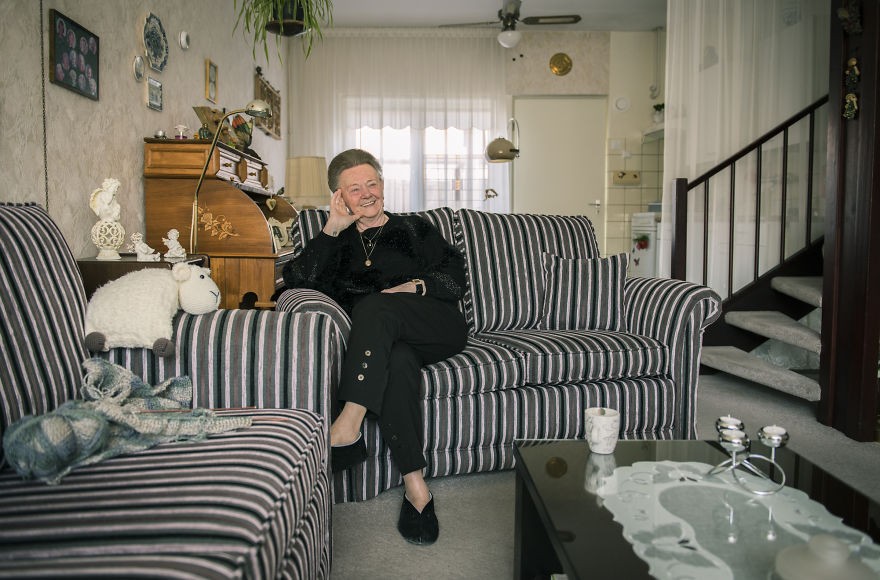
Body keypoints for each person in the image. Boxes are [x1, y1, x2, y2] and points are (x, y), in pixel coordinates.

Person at [282, 149, 468, 545]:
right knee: (397, 361)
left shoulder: (414, 228)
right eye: (355, 189)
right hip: (387, 345)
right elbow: (296, 283)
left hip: (434, 325)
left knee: (375, 304)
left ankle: (347, 423)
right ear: (339, 197)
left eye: (372, 183)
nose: (367, 193)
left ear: (382, 185)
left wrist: (413, 287)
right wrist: (332, 228)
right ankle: (417, 487)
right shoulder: (336, 242)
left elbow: (455, 275)